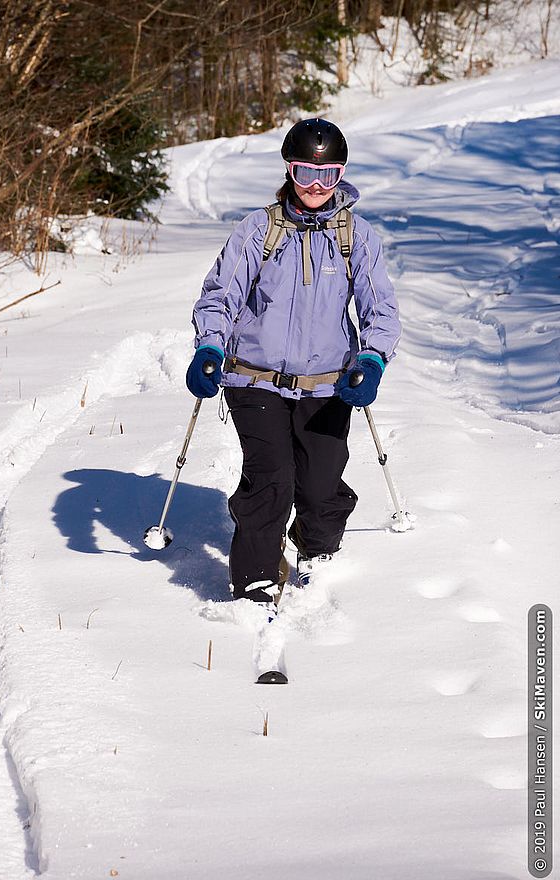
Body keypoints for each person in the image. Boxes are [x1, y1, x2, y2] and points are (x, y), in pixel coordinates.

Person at [186, 117, 401, 613]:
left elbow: (380, 309)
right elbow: (221, 295)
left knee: (321, 485)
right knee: (271, 480)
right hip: (254, 380)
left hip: (329, 384)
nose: (316, 188)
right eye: (305, 174)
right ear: (289, 170)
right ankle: (255, 582)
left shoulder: (357, 236)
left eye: (329, 176)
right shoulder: (257, 230)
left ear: (341, 175)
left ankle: (315, 546)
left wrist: (371, 359)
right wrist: (210, 348)